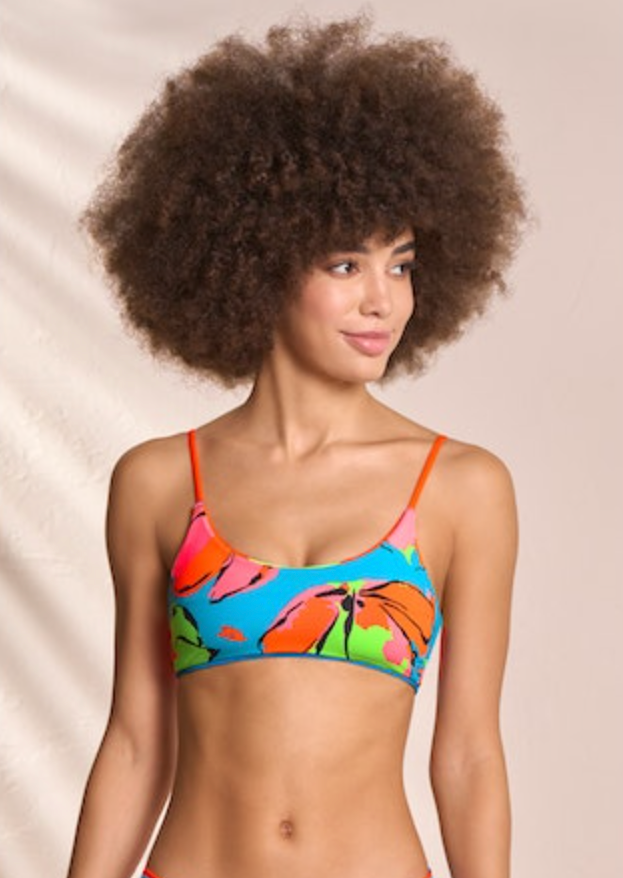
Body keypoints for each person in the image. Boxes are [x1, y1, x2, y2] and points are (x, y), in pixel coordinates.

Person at [67, 15, 525, 878]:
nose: (383, 300)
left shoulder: (463, 488)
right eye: (347, 265)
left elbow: (468, 756)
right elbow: (134, 741)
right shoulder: (159, 481)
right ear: (258, 260)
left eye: (401, 264)